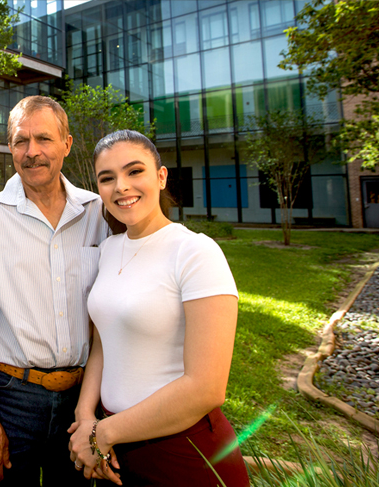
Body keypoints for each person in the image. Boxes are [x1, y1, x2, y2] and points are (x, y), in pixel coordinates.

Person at [67, 130, 250, 486]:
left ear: (161, 177)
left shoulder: (195, 252)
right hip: (116, 454)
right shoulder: (108, 250)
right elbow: (105, 342)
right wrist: (85, 413)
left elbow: (207, 387)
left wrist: (103, 434)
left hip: (183, 451)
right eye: (107, 178)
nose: (121, 186)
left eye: (134, 171)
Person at [0, 95, 110, 486]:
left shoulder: (97, 213)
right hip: (12, 398)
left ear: (67, 145)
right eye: (21, 141)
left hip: (83, 400)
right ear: (10, 148)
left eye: (44, 139)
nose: (32, 152)